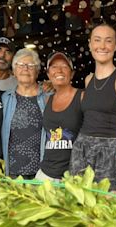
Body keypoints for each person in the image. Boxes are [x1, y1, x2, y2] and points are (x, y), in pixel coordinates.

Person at [69, 23, 116, 194]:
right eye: (97, 40)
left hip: (109, 153)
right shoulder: (88, 80)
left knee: (106, 213)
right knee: (79, 210)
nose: (102, 46)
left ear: (115, 46)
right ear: (90, 44)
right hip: (81, 150)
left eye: (108, 41)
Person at [35, 51, 83, 182]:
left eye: (64, 66)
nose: (59, 70)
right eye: (54, 67)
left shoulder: (82, 97)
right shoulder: (46, 100)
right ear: (48, 73)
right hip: (46, 174)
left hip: (73, 177)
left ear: (72, 73)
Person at [2, 48, 49, 179]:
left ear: (38, 71)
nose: (25, 68)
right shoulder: (5, 98)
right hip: (12, 170)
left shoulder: (48, 97)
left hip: (41, 171)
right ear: (14, 71)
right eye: (20, 65)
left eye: (30, 65)